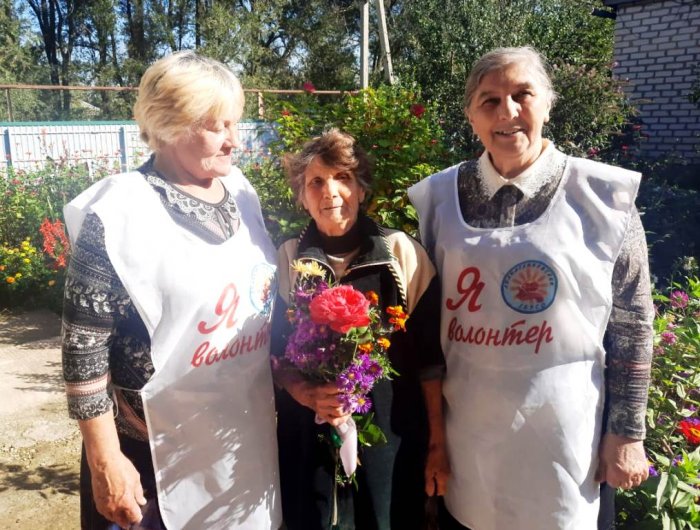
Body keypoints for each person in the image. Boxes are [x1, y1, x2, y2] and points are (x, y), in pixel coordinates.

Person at [408, 46, 654, 530]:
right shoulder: (437, 199)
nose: (507, 112)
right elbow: (427, 330)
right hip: (470, 441)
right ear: (471, 116)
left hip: (567, 443)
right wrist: (432, 439)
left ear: (547, 103)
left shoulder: (602, 199)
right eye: (489, 100)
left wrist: (627, 433)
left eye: (523, 94)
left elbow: (633, 320)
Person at [61, 51, 281, 530]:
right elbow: (83, 350)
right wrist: (105, 460)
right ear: (169, 125)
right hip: (151, 460)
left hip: (243, 444)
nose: (234, 140)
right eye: (217, 126)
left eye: (234, 123)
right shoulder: (117, 213)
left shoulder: (241, 193)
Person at [271, 129, 449, 530]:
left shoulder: (401, 254)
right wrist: (306, 393)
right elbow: (274, 355)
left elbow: (430, 363)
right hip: (309, 445)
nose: (330, 192)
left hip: (391, 442)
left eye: (343, 178)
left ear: (362, 189)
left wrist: (437, 444)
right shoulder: (288, 259)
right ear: (302, 197)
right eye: (316, 182)